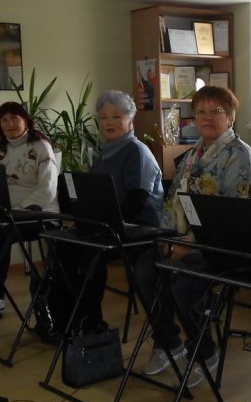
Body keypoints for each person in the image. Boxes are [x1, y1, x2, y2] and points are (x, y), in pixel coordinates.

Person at [136, 85, 251, 385]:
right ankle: (168, 342)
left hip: (230, 248)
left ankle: (204, 352)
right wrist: (168, 237)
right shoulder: (193, 154)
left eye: (215, 111)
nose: (206, 117)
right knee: (145, 267)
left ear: (230, 117)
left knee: (181, 280)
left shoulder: (241, 159)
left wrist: (188, 245)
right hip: (187, 240)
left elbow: (232, 221)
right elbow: (172, 200)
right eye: (200, 111)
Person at [47, 90, 164, 333]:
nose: (109, 122)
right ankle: (64, 318)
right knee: (62, 246)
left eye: (116, 116)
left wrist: (99, 222)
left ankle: (90, 320)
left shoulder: (136, 151)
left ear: (130, 119)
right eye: (103, 117)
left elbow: (138, 204)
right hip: (108, 224)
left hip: (139, 227)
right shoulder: (105, 153)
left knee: (90, 252)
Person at [0, 102, 58, 318]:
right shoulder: (0, 151)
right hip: (8, 214)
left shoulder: (41, 146)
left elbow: (48, 189)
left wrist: (20, 210)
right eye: (4, 120)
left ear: (26, 121)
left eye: (15, 118)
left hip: (40, 214)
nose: (10, 123)